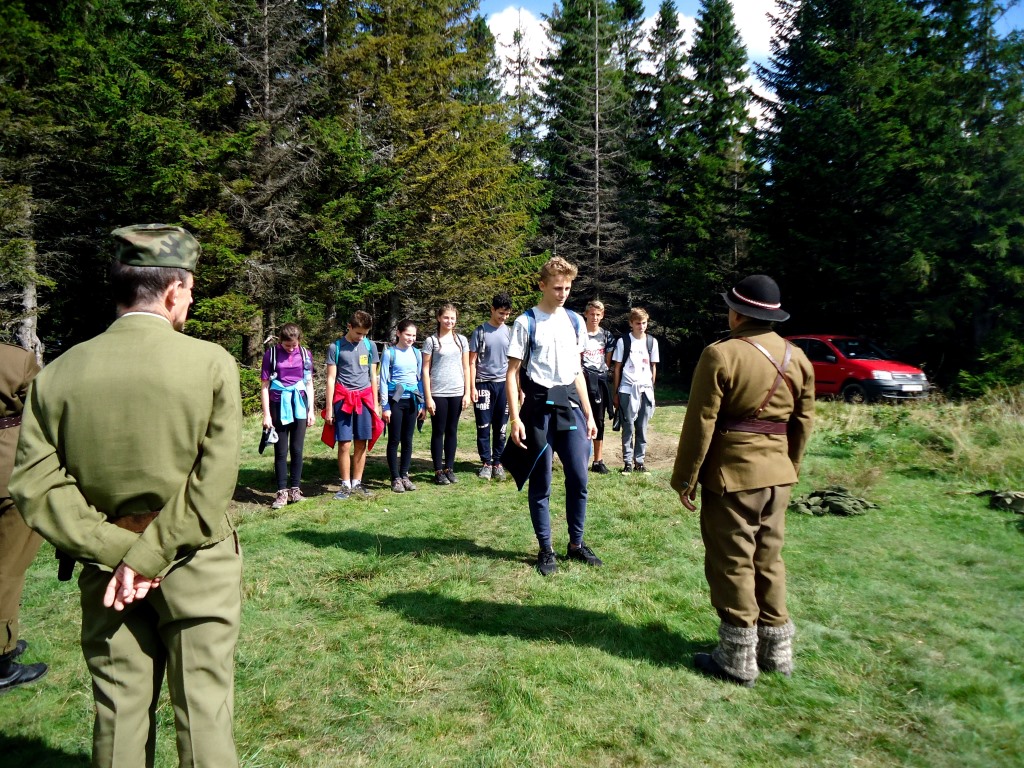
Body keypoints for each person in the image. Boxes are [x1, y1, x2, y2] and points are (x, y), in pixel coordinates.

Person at [10, 224, 243, 765]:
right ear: (172, 291)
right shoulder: (211, 364)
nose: (191, 298)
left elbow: (35, 483)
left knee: (117, 716)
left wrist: (120, 554)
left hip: (105, 571)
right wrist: (148, 557)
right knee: (204, 714)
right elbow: (212, 485)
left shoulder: (58, 375)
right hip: (195, 563)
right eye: (190, 287)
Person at [670, 275, 814, 687]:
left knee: (732, 561)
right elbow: (803, 423)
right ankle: (777, 650)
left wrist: (686, 478)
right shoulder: (798, 357)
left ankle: (737, 656)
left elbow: (701, 420)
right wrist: (791, 467)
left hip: (732, 476)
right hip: (778, 475)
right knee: (769, 558)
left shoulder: (721, 355)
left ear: (736, 314)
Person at [505, 257, 600, 576]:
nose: (563, 293)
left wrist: (589, 413)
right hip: (537, 409)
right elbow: (512, 373)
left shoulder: (575, 321)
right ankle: (545, 549)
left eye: (568, 288)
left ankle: (576, 544)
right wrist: (515, 418)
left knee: (579, 475)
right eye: (558, 287)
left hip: (570, 405)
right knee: (541, 480)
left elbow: (577, 372)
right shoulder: (526, 322)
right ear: (542, 285)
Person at [0, 342, 47, 694]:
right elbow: (45, 409)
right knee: (9, 566)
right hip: (8, 472)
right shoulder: (15, 359)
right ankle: (2, 660)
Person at [325, 311, 381, 499]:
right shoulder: (336, 347)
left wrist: (376, 403)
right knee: (344, 444)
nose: (361, 337)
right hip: (343, 400)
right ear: (349, 327)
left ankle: (357, 483)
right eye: (358, 333)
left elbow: (373, 376)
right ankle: (345, 485)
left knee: (361, 442)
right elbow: (331, 379)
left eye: (364, 334)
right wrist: (330, 408)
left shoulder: (370, 345)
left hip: (365, 400)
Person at [260, 323, 315, 509]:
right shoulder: (271, 355)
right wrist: (266, 415)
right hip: (278, 403)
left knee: (297, 449)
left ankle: (295, 490)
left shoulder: (306, 354)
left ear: (299, 341)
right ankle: (281, 492)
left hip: (299, 403)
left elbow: (309, 383)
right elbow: (265, 386)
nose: (291, 349)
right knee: (281, 450)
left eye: (294, 345)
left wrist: (311, 410)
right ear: (280, 341)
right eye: (287, 345)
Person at [422, 303, 470, 485]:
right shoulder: (431, 341)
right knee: (438, 430)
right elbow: (425, 370)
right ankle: (438, 470)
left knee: (452, 430)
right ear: (439, 318)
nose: (449, 321)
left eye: (452, 318)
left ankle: (449, 468)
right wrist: (428, 397)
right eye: (446, 317)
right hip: (438, 393)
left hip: (457, 391)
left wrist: (467, 393)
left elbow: (466, 367)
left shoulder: (461, 341)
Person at [469, 293, 513, 481]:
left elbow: (514, 363)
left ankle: (498, 462)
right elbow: (471, 362)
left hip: (503, 384)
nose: (503, 317)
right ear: (492, 310)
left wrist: (518, 389)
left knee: (501, 427)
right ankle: (486, 462)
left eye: (507, 314)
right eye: (501, 313)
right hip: (483, 384)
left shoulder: (510, 332)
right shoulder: (480, 331)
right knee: (483, 426)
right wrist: (472, 387)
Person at [612, 307, 660, 473]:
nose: (641, 326)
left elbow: (653, 366)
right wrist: (616, 392)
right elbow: (617, 367)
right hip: (627, 388)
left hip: (646, 389)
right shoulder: (623, 341)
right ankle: (627, 462)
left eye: (644, 323)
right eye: (638, 323)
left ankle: (640, 462)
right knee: (628, 427)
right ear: (631, 323)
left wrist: (651, 387)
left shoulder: (652, 342)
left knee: (642, 427)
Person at [380, 320, 425, 493]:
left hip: (412, 401)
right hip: (395, 401)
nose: (411, 338)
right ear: (398, 333)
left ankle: (405, 474)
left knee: (408, 440)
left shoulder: (417, 353)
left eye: (414, 335)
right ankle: (395, 477)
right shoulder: (389, 353)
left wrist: (422, 403)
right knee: (394, 439)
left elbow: (419, 380)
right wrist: (385, 406)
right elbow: (383, 380)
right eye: (408, 334)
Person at [581, 300, 615, 474]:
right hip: (581, 380)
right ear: (586, 314)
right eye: (592, 314)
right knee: (580, 419)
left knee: (599, 420)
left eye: (598, 314)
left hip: (600, 381)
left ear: (602, 316)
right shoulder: (578, 334)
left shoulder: (607, 335)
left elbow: (607, 362)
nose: (594, 317)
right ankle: (579, 458)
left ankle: (598, 460)